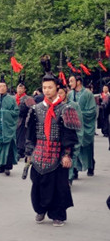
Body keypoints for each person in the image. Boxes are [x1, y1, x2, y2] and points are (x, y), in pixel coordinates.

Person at [25, 57, 80, 227]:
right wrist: (29, 152)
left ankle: (57, 214)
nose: (47, 90)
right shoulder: (36, 109)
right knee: (38, 182)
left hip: (57, 151)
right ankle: (40, 209)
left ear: (57, 87)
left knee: (59, 185)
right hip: (40, 150)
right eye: (44, 87)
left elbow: (69, 135)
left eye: (50, 87)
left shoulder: (66, 109)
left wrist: (66, 154)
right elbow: (30, 133)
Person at [68, 74, 97, 177]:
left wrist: (79, 114)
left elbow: (92, 111)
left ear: (78, 81)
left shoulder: (88, 94)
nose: (69, 83)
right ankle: (74, 170)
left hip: (85, 124)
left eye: (71, 81)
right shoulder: (69, 94)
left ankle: (90, 165)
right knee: (75, 147)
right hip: (74, 125)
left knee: (87, 147)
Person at [0, 75, 19, 175]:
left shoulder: (11, 99)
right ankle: (0, 166)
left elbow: (16, 112)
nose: (2, 88)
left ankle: (7, 167)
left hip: (7, 128)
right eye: (0, 86)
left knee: (8, 147)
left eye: (3, 86)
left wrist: (4, 113)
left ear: (6, 88)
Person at [58, 86, 83, 186]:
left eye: (61, 93)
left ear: (66, 94)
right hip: (59, 137)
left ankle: (69, 178)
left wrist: (78, 138)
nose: (59, 96)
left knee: (70, 156)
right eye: (58, 93)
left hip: (71, 137)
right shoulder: (55, 106)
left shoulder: (73, 106)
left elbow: (79, 123)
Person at [16, 75, 36, 160]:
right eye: (18, 88)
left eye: (21, 88)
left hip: (24, 119)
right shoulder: (13, 98)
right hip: (15, 119)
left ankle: (21, 151)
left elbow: (33, 108)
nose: (20, 90)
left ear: (24, 90)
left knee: (22, 136)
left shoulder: (28, 98)